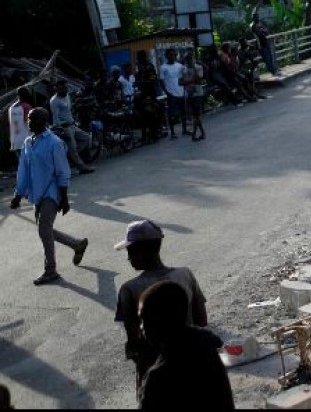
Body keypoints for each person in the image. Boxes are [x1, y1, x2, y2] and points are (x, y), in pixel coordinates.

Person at [113, 219, 210, 396]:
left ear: (141, 251)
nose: (128, 258)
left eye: (130, 251)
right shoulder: (185, 274)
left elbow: (134, 340)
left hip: (154, 373)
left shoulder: (129, 290)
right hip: (193, 363)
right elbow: (202, 320)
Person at [10, 108, 89, 285]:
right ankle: (77, 245)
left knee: (43, 229)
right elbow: (22, 170)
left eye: (32, 119)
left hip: (52, 193)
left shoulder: (54, 143)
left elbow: (63, 171)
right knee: (44, 230)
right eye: (28, 119)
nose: (28, 122)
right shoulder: (28, 143)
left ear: (43, 121)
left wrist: (65, 198)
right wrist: (18, 195)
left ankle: (50, 270)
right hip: (36, 193)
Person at [136, 281, 233, 409]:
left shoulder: (158, 376)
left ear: (161, 322)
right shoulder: (206, 347)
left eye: (144, 319)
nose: (141, 327)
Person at [48, 81, 94, 175]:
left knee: (86, 138)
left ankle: (70, 156)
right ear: (57, 89)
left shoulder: (67, 96)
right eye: (61, 88)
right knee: (73, 149)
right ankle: (82, 167)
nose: (64, 89)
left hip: (72, 124)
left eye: (65, 87)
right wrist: (60, 129)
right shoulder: (54, 101)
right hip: (64, 127)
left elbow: (69, 110)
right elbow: (55, 117)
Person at [159, 49, 188, 139]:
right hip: (171, 93)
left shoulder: (180, 66)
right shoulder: (163, 67)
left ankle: (184, 129)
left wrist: (184, 88)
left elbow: (185, 76)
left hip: (181, 92)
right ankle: (172, 132)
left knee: (183, 111)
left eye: (174, 55)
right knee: (172, 114)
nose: (172, 56)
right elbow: (161, 81)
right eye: (170, 55)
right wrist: (167, 92)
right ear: (167, 56)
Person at [181, 53, 206, 142]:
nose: (189, 61)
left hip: (197, 93)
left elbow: (199, 80)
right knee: (194, 115)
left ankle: (195, 134)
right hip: (188, 94)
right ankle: (202, 133)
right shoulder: (183, 69)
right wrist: (188, 82)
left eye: (190, 59)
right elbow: (180, 82)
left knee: (196, 115)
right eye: (187, 59)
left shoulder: (198, 67)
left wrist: (188, 81)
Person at [8, 86, 33, 158]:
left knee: (21, 162)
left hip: (15, 139)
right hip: (25, 138)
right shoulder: (27, 107)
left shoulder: (12, 107)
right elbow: (28, 122)